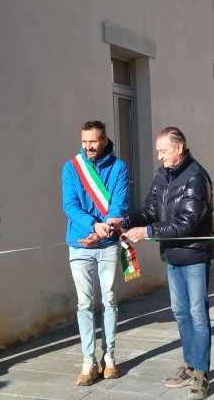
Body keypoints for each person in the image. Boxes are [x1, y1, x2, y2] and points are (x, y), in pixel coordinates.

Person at [111, 126, 214, 399]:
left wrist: (147, 232)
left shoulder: (196, 177)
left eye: (163, 151)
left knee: (197, 313)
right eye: (158, 151)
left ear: (179, 148)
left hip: (194, 254)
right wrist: (126, 221)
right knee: (180, 313)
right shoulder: (162, 177)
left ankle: (202, 373)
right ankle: (189, 365)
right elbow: (149, 210)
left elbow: (188, 223)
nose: (160, 157)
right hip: (172, 254)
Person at [61, 120, 129, 385]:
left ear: (103, 141)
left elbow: (119, 203)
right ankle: (88, 360)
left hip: (108, 244)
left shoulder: (119, 167)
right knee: (85, 304)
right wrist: (91, 226)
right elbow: (70, 205)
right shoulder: (71, 167)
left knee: (110, 301)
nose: (88, 146)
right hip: (80, 244)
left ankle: (109, 357)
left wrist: (105, 228)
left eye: (93, 141)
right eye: (84, 141)